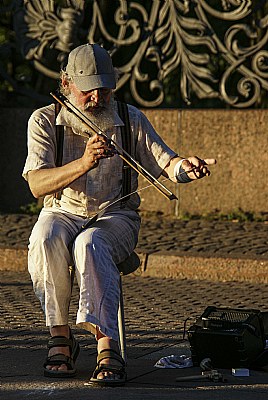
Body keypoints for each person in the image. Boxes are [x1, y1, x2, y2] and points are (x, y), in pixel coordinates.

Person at [23, 43, 216, 386]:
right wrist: (84, 163)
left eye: (105, 90)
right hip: (62, 211)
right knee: (45, 235)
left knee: (90, 242)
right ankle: (60, 337)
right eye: (89, 92)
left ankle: (106, 345)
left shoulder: (130, 118)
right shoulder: (44, 121)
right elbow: (37, 184)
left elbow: (166, 162)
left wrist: (187, 167)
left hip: (117, 217)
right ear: (67, 84)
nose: (98, 100)